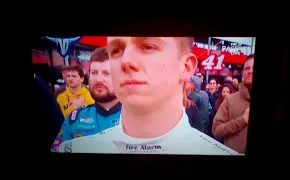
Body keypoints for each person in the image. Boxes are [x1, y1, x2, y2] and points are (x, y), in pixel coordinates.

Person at [59, 37, 239, 155]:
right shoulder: (72, 149)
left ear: (186, 67)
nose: (126, 61)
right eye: (116, 51)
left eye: (148, 46)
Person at [51, 47, 121, 152]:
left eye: (107, 73)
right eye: (94, 72)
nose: (98, 79)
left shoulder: (141, 120)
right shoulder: (74, 119)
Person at [212, 54, 255, 154]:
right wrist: (242, 120)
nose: (250, 71)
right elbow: (216, 130)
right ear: (242, 73)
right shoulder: (230, 100)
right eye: (247, 68)